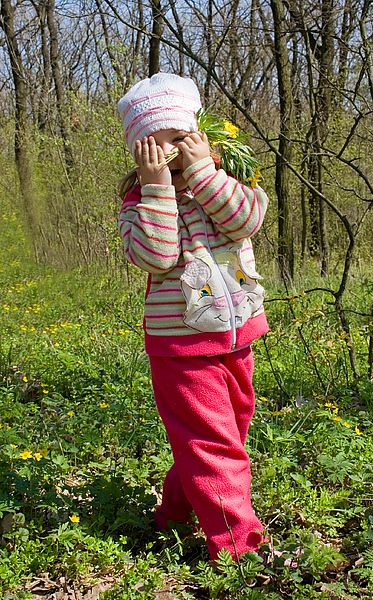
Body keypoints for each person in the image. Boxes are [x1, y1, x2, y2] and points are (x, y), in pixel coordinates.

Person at [117, 72, 270, 561]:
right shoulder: (139, 201)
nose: (172, 155)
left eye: (180, 141)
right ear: (140, 151)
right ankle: (238, 550)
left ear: (198, 135)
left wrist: (205, 173)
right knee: (213, 442)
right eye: (156, 147)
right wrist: (155, 185)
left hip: (237, 333)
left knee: (227, 433)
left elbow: (246, 221)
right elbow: (157, 256)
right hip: (181, 346)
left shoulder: (226, 181)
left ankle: (177, 514)